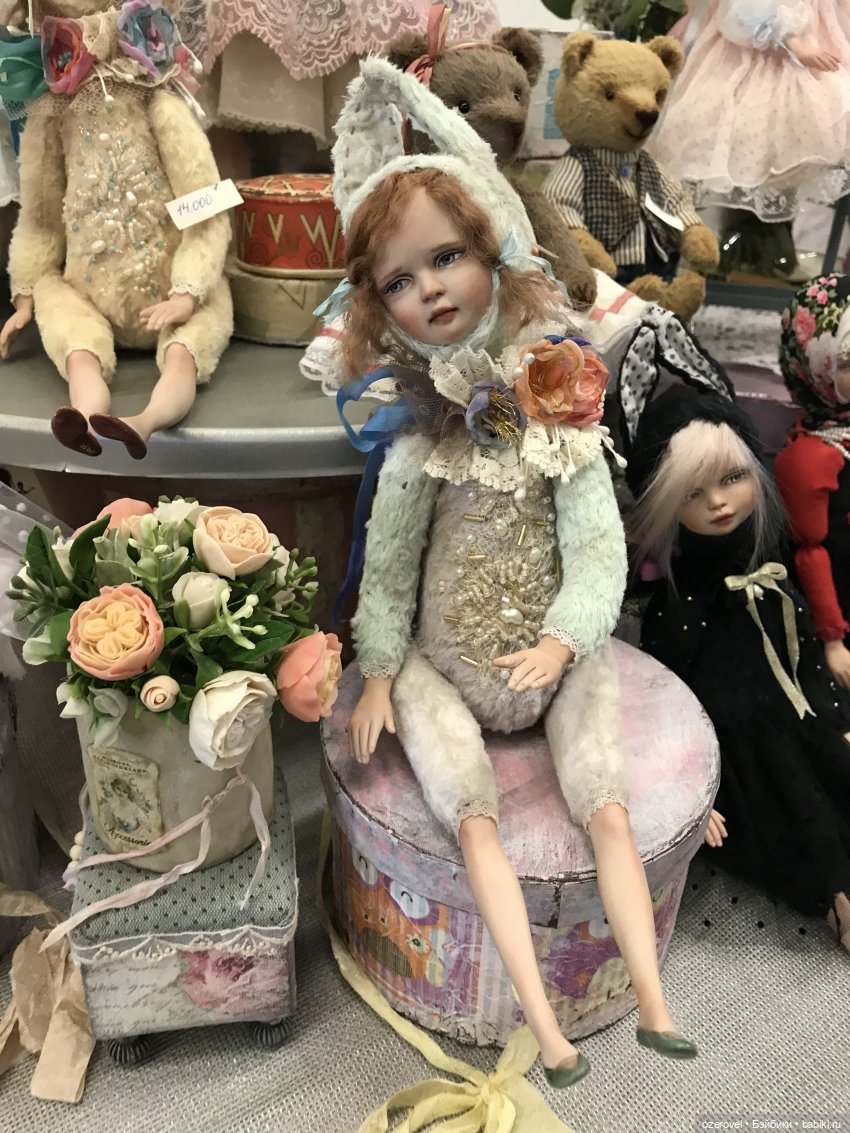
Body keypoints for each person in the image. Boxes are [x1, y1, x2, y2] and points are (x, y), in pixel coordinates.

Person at [329, 56, 700, 1087]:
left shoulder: (558, 415)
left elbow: (597, 550)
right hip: (447, 665)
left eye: (446, 257)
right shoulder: (421, 440)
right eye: (398, 281)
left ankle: (654, 998)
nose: (428, 289)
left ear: (495, 245)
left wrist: (563, 637)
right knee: (472, 813)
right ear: (378, 305)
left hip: (549, 654)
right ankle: (547, 1025)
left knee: (606, 800)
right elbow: (389, 569)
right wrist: (378, 669)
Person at [628, 385, 850, 952]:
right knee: (795, 814)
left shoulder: (771, 565)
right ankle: (837, 900)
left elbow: (802, 647)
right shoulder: (678, 604)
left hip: (798, 711)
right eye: (691, 493)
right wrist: (687, 791)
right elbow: (662, 700)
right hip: (735, 743)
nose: (719, 503)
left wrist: (835, 711)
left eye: (732, 479)